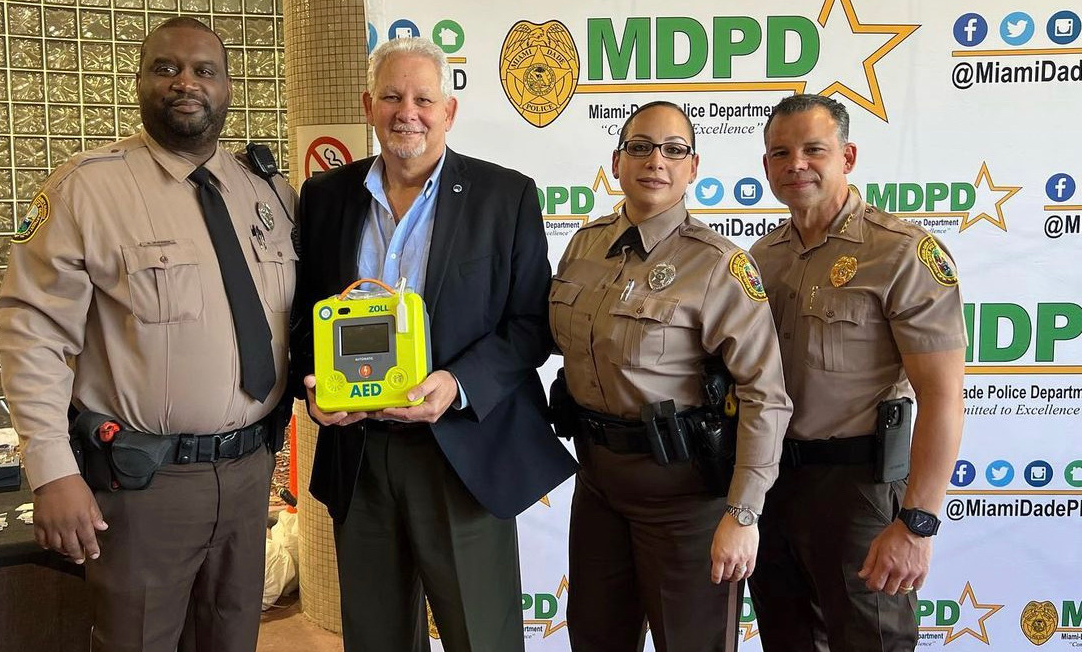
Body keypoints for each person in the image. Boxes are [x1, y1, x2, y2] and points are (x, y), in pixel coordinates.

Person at [0, 17, 296, 652]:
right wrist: (51, 471)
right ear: (139, 80)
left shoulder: (267, 190)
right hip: (143, 485)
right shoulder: (88, 190)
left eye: (204, 70)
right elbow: (34, 330)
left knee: (231, 637)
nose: (186, 82)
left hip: (249, 477)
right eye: (167, 68)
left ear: (227, 88)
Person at [289, 37, 577, 652]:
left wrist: (456, 384)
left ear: (449, 111)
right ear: (369, 105)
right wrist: (314, 386)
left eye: (423, 99)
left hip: (461, 452)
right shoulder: (324, 199)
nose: (407, 112)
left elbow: (531, 324)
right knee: (375, 634)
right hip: (358, 452)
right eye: (392, 96)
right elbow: (303, 318)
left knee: (482, 635)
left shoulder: (506, 197)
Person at [549, 101, 792, 652]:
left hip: (684, 500)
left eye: (673, 149)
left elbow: (765, 396)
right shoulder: (584, 245)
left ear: (693, 166)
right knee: (595, 640)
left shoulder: (718, 265)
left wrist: (743, 512)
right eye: (639, 147)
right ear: (617, 161)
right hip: (598, 486)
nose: (655, 160)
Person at [748, 94, 966, 651]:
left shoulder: (902, 253)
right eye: (780, 152)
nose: (796, 163)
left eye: (813, 149)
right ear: (767, 166)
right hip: (772, 484)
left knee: (872, 642)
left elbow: (943, 400)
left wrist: (918, 523)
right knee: (787, 639)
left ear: (847, 156)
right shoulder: (760, 258)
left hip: (859, 490)